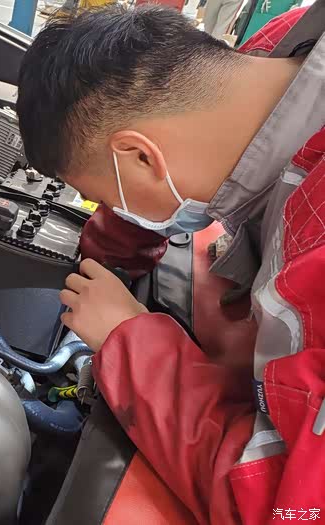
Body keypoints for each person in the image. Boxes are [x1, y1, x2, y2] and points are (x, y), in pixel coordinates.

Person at [16, 4, 325, 524]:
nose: (112, 209)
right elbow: (169, 148)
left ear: (141, 156)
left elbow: (288, 506)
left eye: (104, 197)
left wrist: (129, 341)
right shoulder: (272, 56)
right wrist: (109, 256)